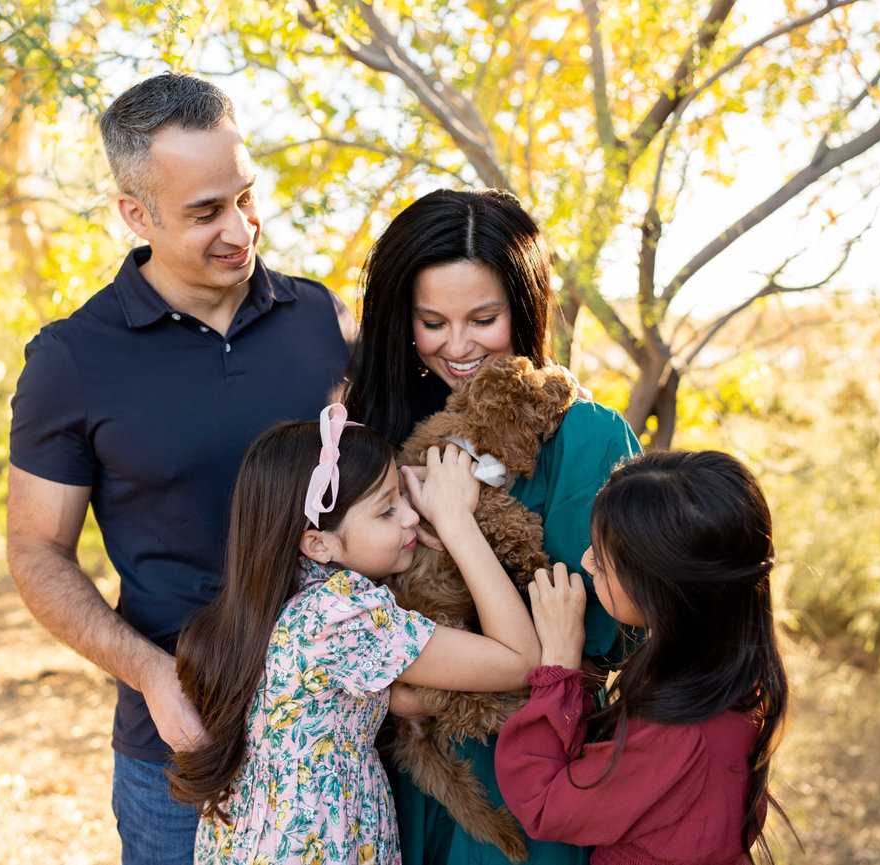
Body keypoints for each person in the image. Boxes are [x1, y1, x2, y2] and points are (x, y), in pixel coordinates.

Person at [5, 72, 356, 865]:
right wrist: (151, 674)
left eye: (246, 196)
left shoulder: (323, 320)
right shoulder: (72, 359)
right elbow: (36, 551)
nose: (241, 228)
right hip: (181, 754)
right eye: (206, 212)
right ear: (136, 214)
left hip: (342, 736)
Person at [343, 187, 642, 865]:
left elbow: (605, 633)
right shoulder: (385, 432)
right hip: (401, 776)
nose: (458, 346)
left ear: (525, 309)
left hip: (536, 764)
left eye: (484, 318)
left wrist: (460, 528)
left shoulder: (587, 439)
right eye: (432, 322)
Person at [170, 404, 543, 863]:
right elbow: (520, 661)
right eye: (387, 510)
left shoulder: (266, 605)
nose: (411, 516)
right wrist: (456, 522)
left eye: (403, 495)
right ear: (318, 544)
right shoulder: (342, 613)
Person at [496, 449, 791, 865]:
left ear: (660, 591)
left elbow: (544, 803)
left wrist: (559, 661)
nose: (585, 562)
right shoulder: (728, 680)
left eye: (602, 562)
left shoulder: (679, 733)